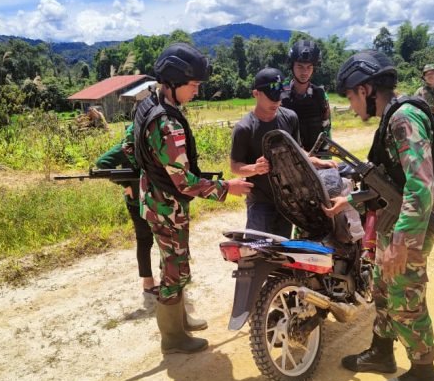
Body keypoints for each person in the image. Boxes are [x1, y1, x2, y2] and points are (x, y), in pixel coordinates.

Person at [323, 50, 434, 381]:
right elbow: (387, 183)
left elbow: (421, 186)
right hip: (396, 219)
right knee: (382, 288)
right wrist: (350, 200)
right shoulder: (391, 118)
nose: (351, 106)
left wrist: (401, 243)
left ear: (365, 90)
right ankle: (381, 352)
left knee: (405, 296)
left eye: (350, 97)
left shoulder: (403, 118)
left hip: (412, 223)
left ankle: (424, 373)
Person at [129, 42, 253, 355]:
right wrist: (227, 188)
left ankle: (180, 320)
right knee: (176, 269)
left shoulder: (148, 104)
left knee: (172, 262)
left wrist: (150, 169)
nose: (197, 91)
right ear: (173, 82)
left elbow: (131, 146)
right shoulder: (167, 123)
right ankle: (173, 338)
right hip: (167, 207)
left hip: (155, 200)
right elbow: (184, 182)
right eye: (194, 84)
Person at [230, 68, 335, 238]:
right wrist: (254, 168)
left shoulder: (290, 118)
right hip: (260, 202)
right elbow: (235, 166)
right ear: (256, 94)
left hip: (288, 201)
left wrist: (317, 161)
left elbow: (297, 151)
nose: (276, 102)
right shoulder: (244, 128)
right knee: (256, 249)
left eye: (279, 97)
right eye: (271, 98)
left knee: (282, 248)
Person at [95, 140, 157, 296]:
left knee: (164, 238)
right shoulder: (130, 143)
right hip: (138, 202)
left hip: (159, 199)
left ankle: (167, 277)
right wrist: (126, 184)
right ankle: (148, 281)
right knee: (145, 240)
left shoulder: (156, 139)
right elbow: (102, 163)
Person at [281, 40, 332, 153]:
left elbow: (326, 129)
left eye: (309, 67)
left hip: (317, 156)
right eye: (300, 66)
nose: (305, 72)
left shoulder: (320, 95)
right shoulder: (281, 94)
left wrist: (325, 158)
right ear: (292, 66)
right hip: (289, 157)